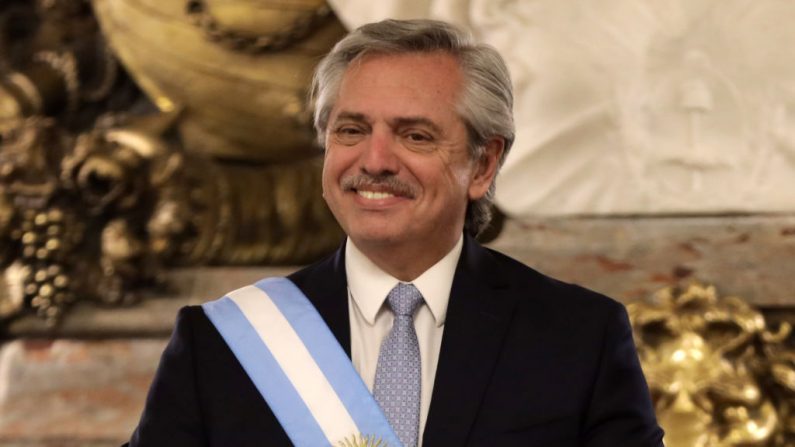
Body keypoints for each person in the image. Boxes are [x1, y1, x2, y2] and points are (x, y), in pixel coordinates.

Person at [127, 19, 664, 447]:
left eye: (415, 135)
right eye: (352, 131)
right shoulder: (221, 342)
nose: (375, 160)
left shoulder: (579, 337)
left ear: (482, 165)